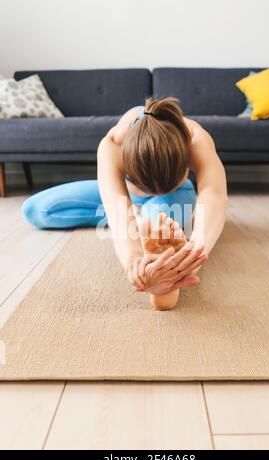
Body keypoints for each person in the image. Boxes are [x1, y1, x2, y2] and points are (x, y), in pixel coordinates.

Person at [23, 97, 228, 310]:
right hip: (127, 195)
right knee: (37, 210)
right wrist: (133, 260)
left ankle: (146, 221)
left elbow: (214, 193)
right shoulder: (113, 144)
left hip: (172, 199)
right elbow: (116, 206)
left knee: (158, 225)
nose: (156, 190)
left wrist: (194, 251)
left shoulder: (195, 137)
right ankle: (137, 217)